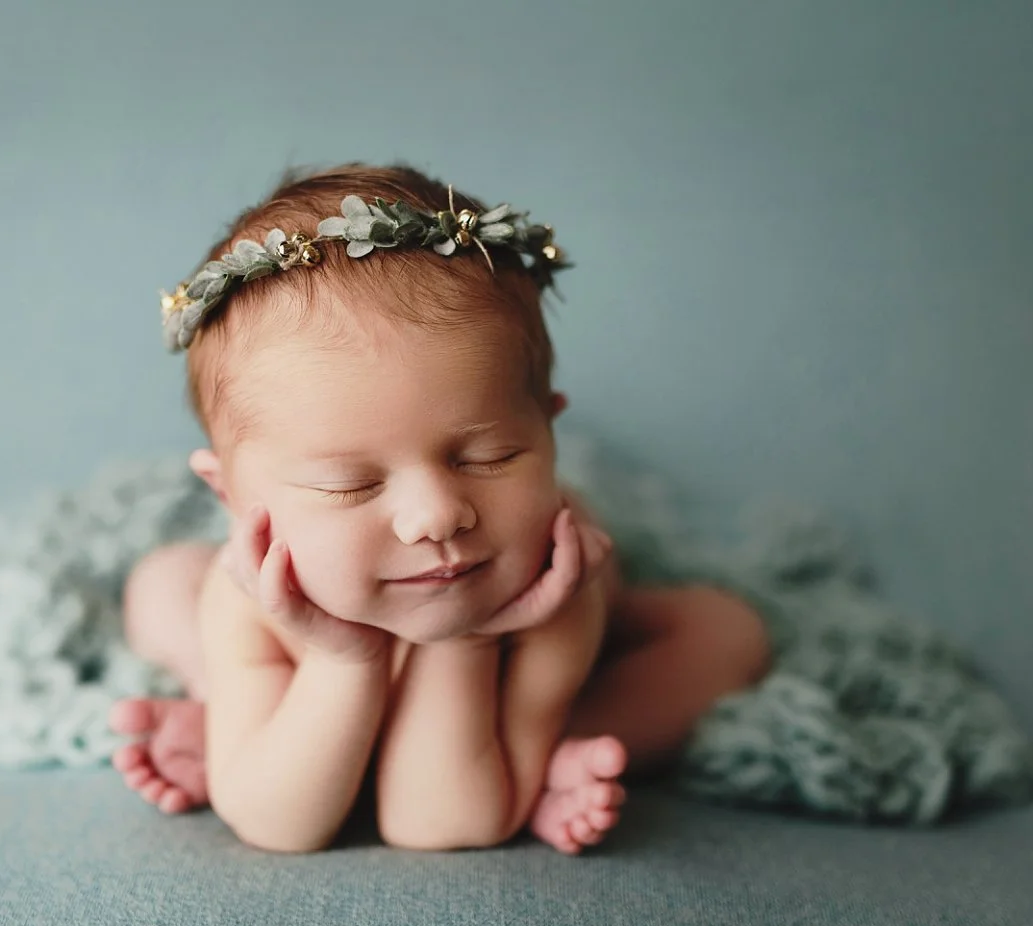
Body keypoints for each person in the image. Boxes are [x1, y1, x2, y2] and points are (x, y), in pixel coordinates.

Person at [109, 163, 770, 855]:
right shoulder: (247, 595)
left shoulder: (553, 580)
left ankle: (542, 754)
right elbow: (279, 827)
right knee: (161, 583)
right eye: (347, 485)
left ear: (547, 431)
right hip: (294, 640)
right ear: (233, 499)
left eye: (488, 459)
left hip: (525, 655)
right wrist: (345, 660)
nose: (438, 517)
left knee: (725, 632)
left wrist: (471, 639)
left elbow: (439, 823)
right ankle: (229, 710)